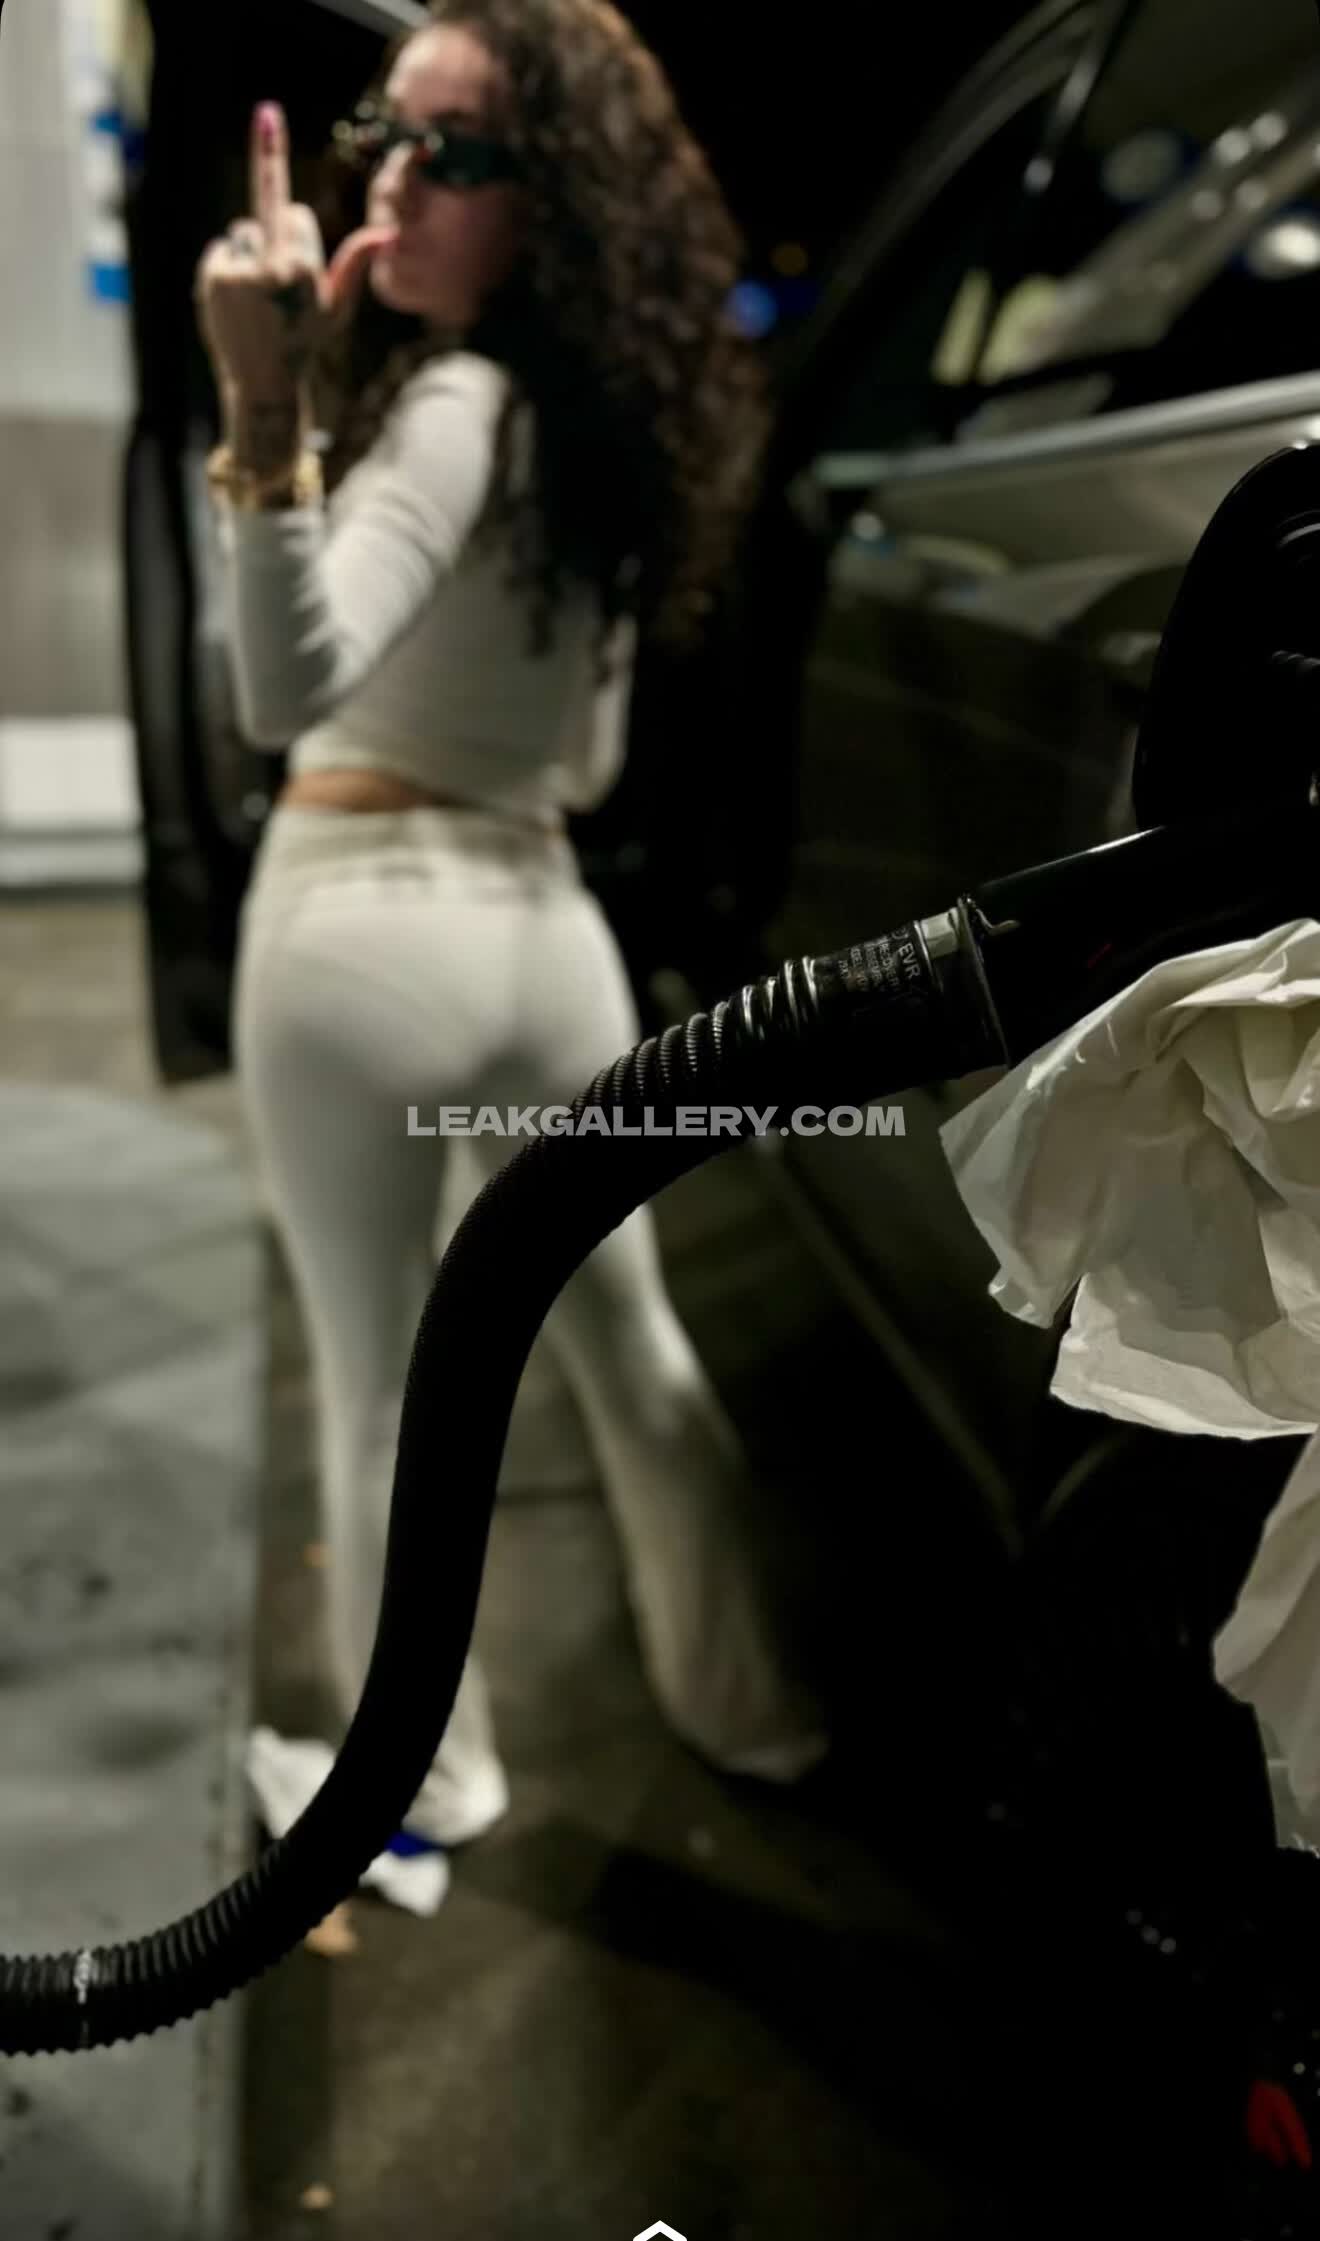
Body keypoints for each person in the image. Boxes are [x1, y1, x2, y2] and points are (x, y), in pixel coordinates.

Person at [196, 0, 827, 1874]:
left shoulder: (458, 399)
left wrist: (262, 409)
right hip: (548, 936)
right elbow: (597, 754)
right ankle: (753, 1707)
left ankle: (427, 1780)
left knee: (381, 1386)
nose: (394, 178)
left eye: (455, 152)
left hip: (353, 932)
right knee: (635, 1345)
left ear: (550, 205)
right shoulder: (605, 431)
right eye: (388, 131)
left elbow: (281, 683)